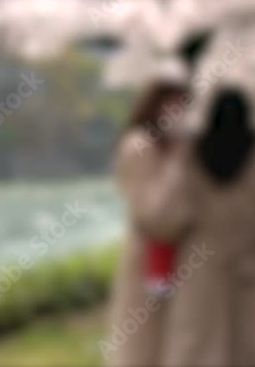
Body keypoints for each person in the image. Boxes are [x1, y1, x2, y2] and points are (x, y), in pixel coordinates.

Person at [161, 88, 255, 366]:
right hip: (253, 264)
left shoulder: (190, 156)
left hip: (200, 264)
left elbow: (168, 213)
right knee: (254, 345)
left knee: (198, 345)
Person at [107, 80, 194, 367]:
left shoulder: (180, 149)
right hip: (149, 262)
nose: (177, 112)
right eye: (170, 103)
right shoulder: (139, 146)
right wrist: (181, 154)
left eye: (183, 103)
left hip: (183, 263)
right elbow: (156, 215)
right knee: (144, 348)